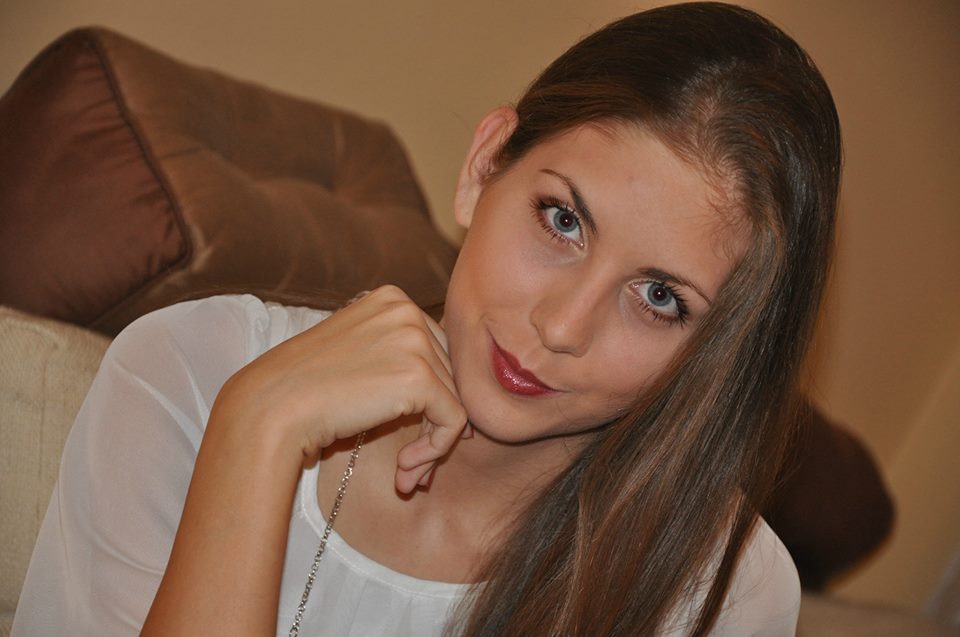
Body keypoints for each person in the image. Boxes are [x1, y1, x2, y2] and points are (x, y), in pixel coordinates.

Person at [12, 2, 842, 636]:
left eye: (660, 297)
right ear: (484, 167)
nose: (561, 326)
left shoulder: (725, 589)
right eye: (561, 219)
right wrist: (257, 429)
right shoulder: (190, 374)